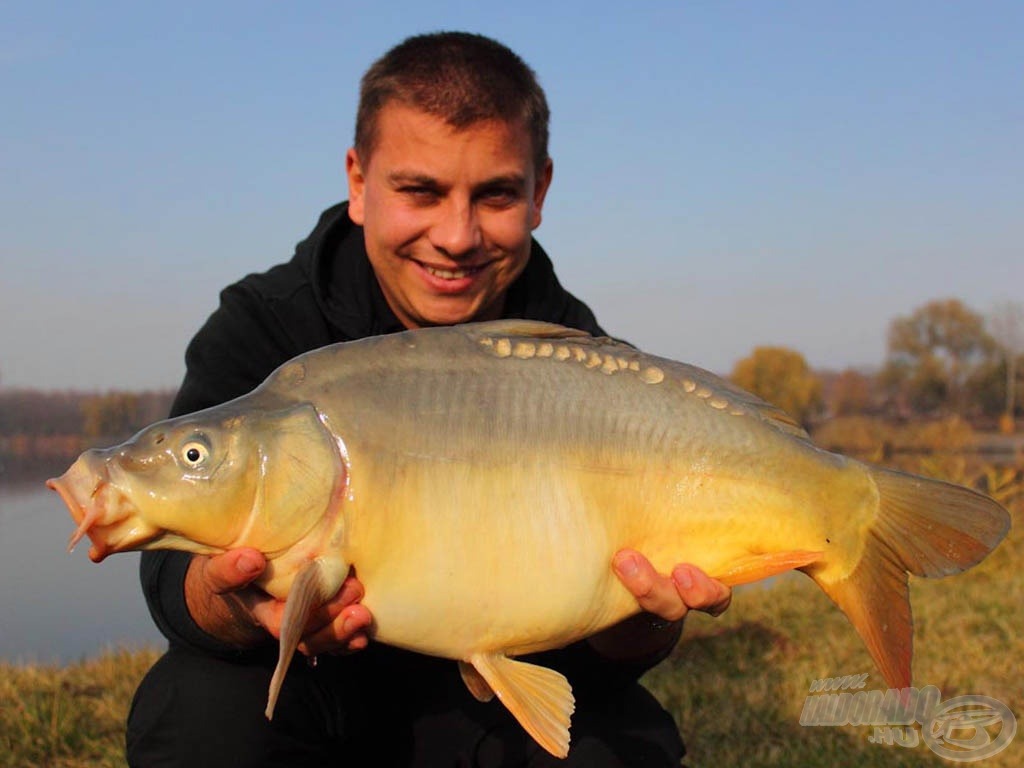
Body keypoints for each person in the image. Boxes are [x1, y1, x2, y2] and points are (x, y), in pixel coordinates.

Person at [127, 31, 732, 767]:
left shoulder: (581, 358)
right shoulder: (267, 324)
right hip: (319, 688)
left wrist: (644, 618)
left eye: (496, 194)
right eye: (420, 191)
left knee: (624, 745)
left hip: (488, 697)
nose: (456, 235)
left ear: (540, 191)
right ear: (358, 181)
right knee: (196, 713)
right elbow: (170, 572)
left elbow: (612, 655)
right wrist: (239, 602)